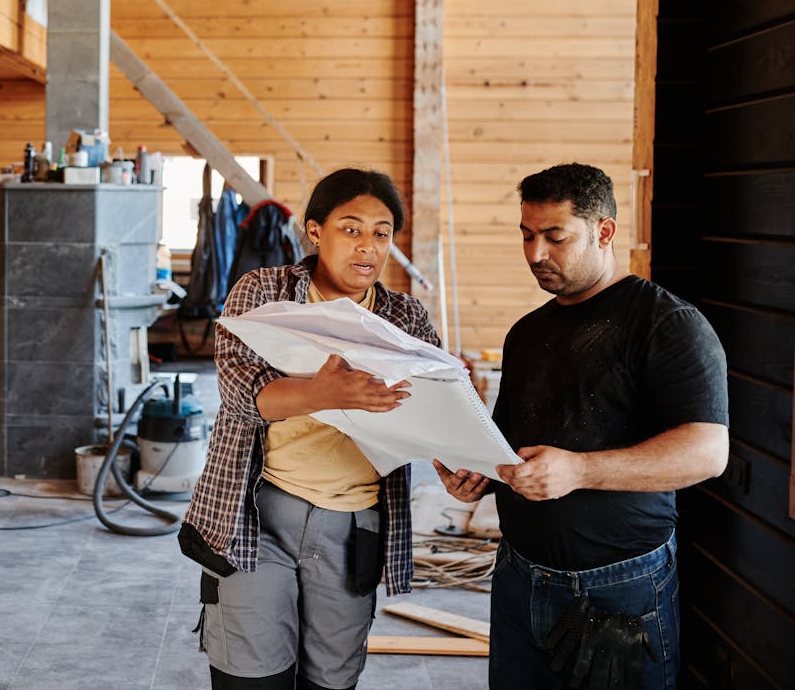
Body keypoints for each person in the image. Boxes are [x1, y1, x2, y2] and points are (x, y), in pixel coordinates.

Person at [434, 163, 729, 689]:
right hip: (519, 575)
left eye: (555, 236)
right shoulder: (526, 333)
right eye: (527, 235)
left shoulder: (667, 324)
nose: (535, 254)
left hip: (621, 586)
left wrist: (580, 471)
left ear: (604, 231)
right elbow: (508, 443)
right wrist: (476, 473)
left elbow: (707, 453)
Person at [179, 167, 439, 690]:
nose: (367, 246)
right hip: (257, 515)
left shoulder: (405, 317)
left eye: (382, 232)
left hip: (353, 523)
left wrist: (458, 463)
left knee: (331, 681)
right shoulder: (265, 292)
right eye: (351, 228)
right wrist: (324, 395)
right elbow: (239, 391)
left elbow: (434, 414)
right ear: (315, 231)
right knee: (251, 678)